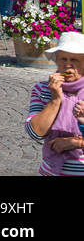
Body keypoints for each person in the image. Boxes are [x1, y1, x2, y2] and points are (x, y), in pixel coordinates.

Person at [25, 31, 84, 175]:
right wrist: (55, 100)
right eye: (63, 59)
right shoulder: (42, 89)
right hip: (49, 171)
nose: (68, 65)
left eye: (74, 60)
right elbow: (35, 133)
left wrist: (77, 143)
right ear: (56, 61)